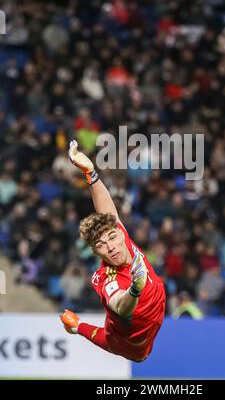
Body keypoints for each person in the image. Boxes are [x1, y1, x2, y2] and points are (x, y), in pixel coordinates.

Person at [60, 141, 166, 362]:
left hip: (155, 310)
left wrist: (90, 174)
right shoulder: (104, 278)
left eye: (112, 237)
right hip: (133, 342)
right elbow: (120, 305)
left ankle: (76, 326)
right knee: (121, 347)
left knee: (98, 332)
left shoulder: (122, 238)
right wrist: (135, 290)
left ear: (119, 232)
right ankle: (77, 326)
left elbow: (108, 211)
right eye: (101, 245)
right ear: (96, 252)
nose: (111, 247)